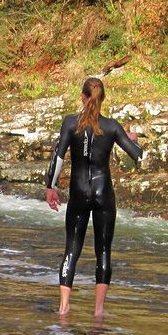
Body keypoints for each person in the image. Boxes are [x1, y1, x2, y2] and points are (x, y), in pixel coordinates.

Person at [44, 77, 143, 317]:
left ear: (82, 96)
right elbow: (137, 157)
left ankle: (64, 308)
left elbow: (58, 157)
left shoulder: (70, 123)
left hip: (79, 191)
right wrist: (133, 140)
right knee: (104, 251)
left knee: (71, 250)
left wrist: (51, 187)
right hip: (103, 194)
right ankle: (98, 311)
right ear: (103, 99)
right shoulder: (111, 126)